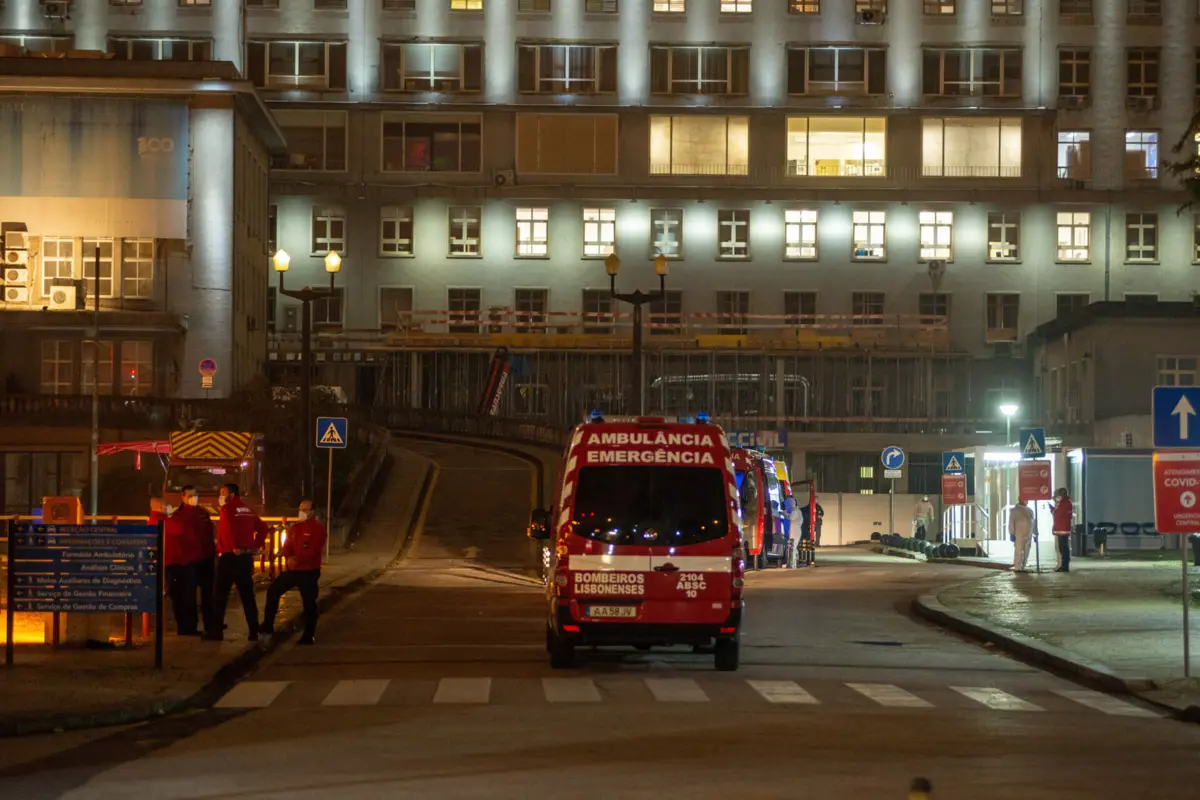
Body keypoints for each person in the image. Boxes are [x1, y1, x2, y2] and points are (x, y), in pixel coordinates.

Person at [205, 483, 269, 642]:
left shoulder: (227, 509)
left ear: (231, 494)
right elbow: (263, 528)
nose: (220, 495)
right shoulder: (248, 509)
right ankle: (254, 630)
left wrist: (234, 546)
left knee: (220, 595)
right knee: (247, 595)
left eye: (223, 492)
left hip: (229, 557)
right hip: (245, 558)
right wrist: (255, 546)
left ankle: (216, 631)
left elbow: (229, 529)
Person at [261, 499, 327, 645]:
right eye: (300, 509)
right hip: (294, 570)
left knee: (309, 602)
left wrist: (298, 559)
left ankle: (308, 635)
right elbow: (287, 546)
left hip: (309, 570)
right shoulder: (295, 527)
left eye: (305, 509)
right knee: (273, 590)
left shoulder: (317, 529)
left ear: (312, 512)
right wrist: (288, 557)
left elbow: (313, 550)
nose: (301, 512)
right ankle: (267, 625)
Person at [175, 485, 216, 635]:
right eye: (189, 495)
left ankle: (210, 625)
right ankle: (189, 627)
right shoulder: (178, 515)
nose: (193, 498)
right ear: (183, 497)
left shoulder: (203, 513)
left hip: (206, 558)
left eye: (195, 495)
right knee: (188, 596)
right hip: (189, 560)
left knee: (208, 595)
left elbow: (210, 534)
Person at [1052, 488, 1074, 573]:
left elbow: (1057, 513)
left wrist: (1053, 509)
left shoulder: (1063, 503)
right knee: (1064, 547)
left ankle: (1064, 566)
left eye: (1058, 495)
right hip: (1064, 528)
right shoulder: (1067, 502)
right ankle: (1064, 565)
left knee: (1062, 548)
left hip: (1062, 529)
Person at [1009, 499, 1035, 572]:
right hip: (1019, 533)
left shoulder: (1030, 510)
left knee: (1027, 550)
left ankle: (1023, 565)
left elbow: (1033, 522)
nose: (1027, 501)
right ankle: (1017, 567)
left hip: (1028, 533)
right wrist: (1012, 533)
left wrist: (1034, 533)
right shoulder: (1014, 511)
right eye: (1025, 499)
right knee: (1019, 550)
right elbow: (1011, 522)